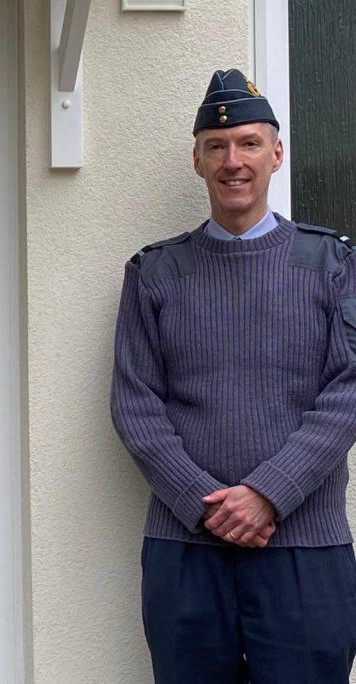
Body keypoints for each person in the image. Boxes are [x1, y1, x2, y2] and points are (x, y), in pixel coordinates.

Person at [111, 69, 356, 682]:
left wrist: (268, 494)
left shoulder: (332, 263)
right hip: (186, 546)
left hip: (305, 547)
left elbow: (349, 391)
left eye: (249, 143)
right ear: (196, 162)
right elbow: (136, 407)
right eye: (215, 147)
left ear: (277, 154)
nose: (233, 161)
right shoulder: (155, 272)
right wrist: (208, 506)